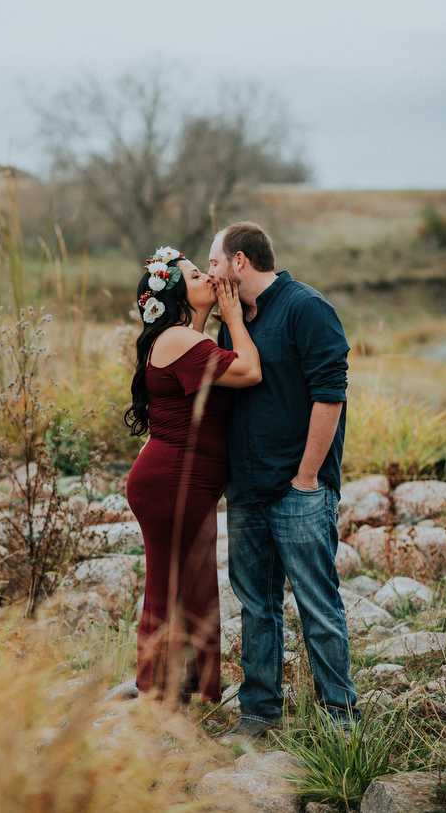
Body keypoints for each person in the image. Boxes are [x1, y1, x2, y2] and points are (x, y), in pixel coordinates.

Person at [207, 221, 360, 748]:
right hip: (246, 488)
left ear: (240, 262)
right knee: (256, 605)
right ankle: (260, 712)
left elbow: (330, 396)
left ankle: (339, 717)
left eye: (214, 262)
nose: (210, 273)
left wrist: (308, 477)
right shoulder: (235, 320)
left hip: (298, 490)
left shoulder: (306, 308)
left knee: (317, 603)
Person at [125, 245, 261, 740]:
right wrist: (234, 317)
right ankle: (152, 700)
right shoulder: (181, 336)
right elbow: (250, 371)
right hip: (169, 483)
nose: (210, 276)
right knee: (166, 586)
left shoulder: (187, 337)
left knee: (188, 583)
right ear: (179, 294)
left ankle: (174, 689)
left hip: (183, 482)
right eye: (197, 274)